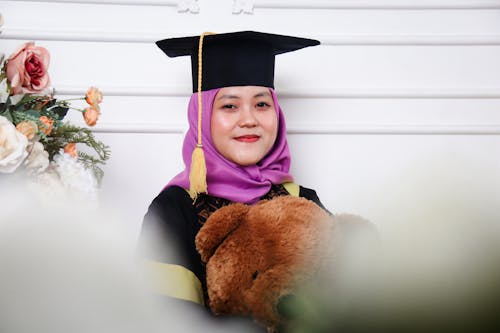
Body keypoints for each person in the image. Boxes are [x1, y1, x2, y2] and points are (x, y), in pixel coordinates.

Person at [138, 31, 329, 327]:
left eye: (262, 104)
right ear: (201, 116)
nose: (249, 119)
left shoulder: (303, 199)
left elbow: (345, 300)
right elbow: (168, 320)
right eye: (229, 105)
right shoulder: (174, 209)